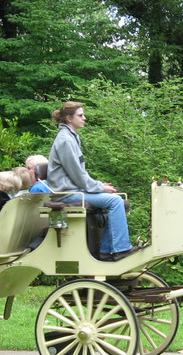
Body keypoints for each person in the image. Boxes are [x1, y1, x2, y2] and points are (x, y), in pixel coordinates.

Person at [46, 101, 139, 260]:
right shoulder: (66, 140)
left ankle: (107, 250)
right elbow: (78, 175)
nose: (84, 118)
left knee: (118, 200)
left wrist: (100, 185)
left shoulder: (71, 137)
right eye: (80, 115)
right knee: (115, 202)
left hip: (74, 190)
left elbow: (79, 174)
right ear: (69, 118)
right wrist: (100, 188)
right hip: (66, 194)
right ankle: (120, 249)